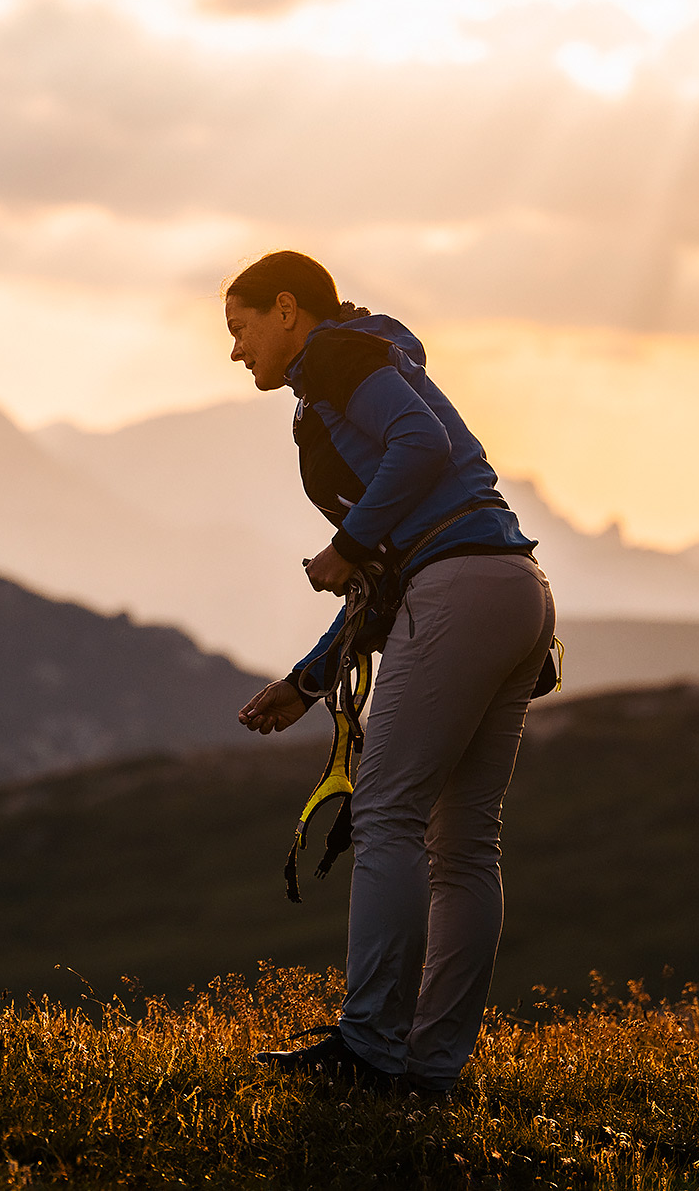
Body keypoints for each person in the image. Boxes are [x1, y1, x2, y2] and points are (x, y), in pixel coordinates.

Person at [225, 250, 555, 1096]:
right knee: (466, 845)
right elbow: (395, 564)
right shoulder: (369, 354)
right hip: (516, 589)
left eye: (241, 327)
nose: (236, 351)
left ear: (288, 309)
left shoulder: (334, 357)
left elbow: (420, 444)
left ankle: (371, 1047)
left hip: (458, 590)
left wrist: (346, 539)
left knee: (386, 813)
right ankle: (431, 1065)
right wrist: (307, 681)